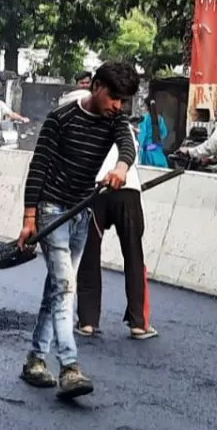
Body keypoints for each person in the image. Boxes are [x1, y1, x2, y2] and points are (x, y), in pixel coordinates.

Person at [18, 61, 140, 400]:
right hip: (52, 209)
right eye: (114, 97)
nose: (118, 105)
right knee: (65, 287)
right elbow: (37, 169)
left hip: (81, 213)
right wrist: (29, 220)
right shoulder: (61, 120)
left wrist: (120, 167)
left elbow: (127, 147)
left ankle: (34, 361)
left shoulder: (115, 119)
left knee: (56, 288)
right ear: (96, 86)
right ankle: (69, 367)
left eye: (123, 101)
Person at [61, 95, 158, 341]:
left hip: (96, 194)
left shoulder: (76, 124)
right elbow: (130, 150)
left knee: (89, 256)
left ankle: (87, 322)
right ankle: (139, 323)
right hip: (127, 191)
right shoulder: (120, 121)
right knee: (134, 256)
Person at [137, 97, 169, 168]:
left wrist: (140, 145)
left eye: (143, 106)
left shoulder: (144, 118)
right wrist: (158, 138)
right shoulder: (159, 118)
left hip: (147, 148)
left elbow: (143, 134)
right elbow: (165, 132)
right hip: (157, 146)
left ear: (146, 107)